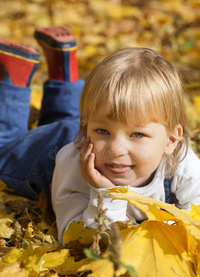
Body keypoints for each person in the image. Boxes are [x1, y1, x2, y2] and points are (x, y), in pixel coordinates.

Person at [51, 46, 200, 244]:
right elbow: (78, 243)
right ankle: (32, 82)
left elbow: (194, 226)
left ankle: (64, 77)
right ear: (87, 126)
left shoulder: (182, 166)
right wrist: (105, 195)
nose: (115, 150)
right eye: (103, 131)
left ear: (171, 140)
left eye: (137, 134)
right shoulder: (71, 166)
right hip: (44, 156)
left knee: (66, 120)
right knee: (9, 146)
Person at [0, 26, 84, 200]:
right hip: (70, 157)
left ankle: (66, 70)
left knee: (66, 124)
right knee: (4, 152)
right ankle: (14, 78)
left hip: (81, 131)